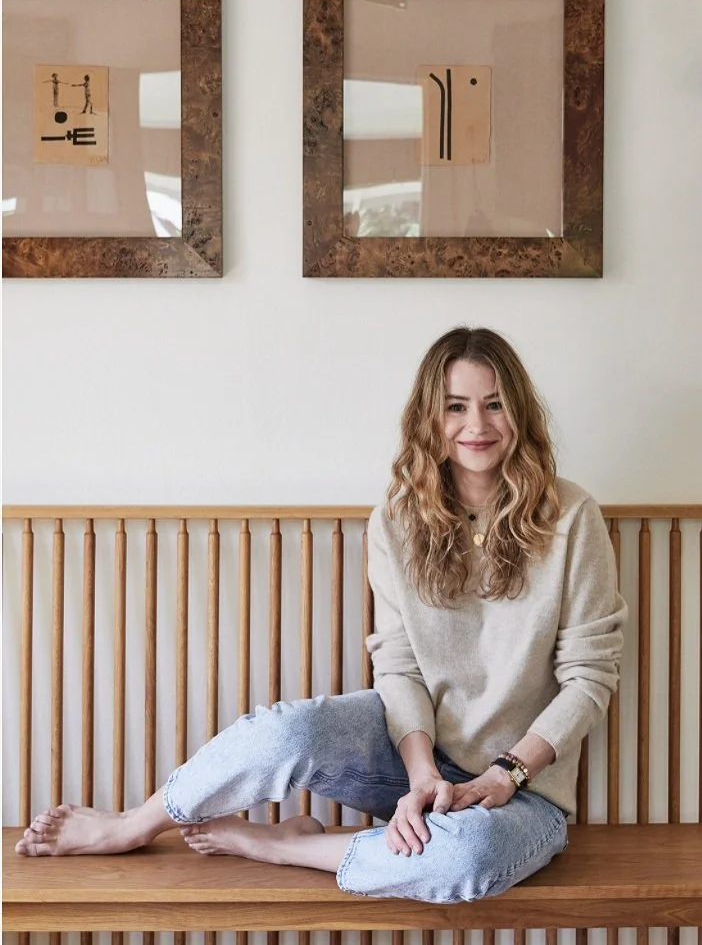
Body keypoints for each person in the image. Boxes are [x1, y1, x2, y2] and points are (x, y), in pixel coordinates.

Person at [16, 326, 627, 905]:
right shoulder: (398, 520)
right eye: (455, 407)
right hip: (409, 763)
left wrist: (504, 774)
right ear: (429, 418)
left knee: (465, 859)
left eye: (494, 405)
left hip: (521, 793)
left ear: (519, 412)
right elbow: (399, 665)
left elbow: (589, 677)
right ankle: (131, 825)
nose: (477, 425)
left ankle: (285, 847)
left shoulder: (572, 517)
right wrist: (420, 775)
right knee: (286, 731)